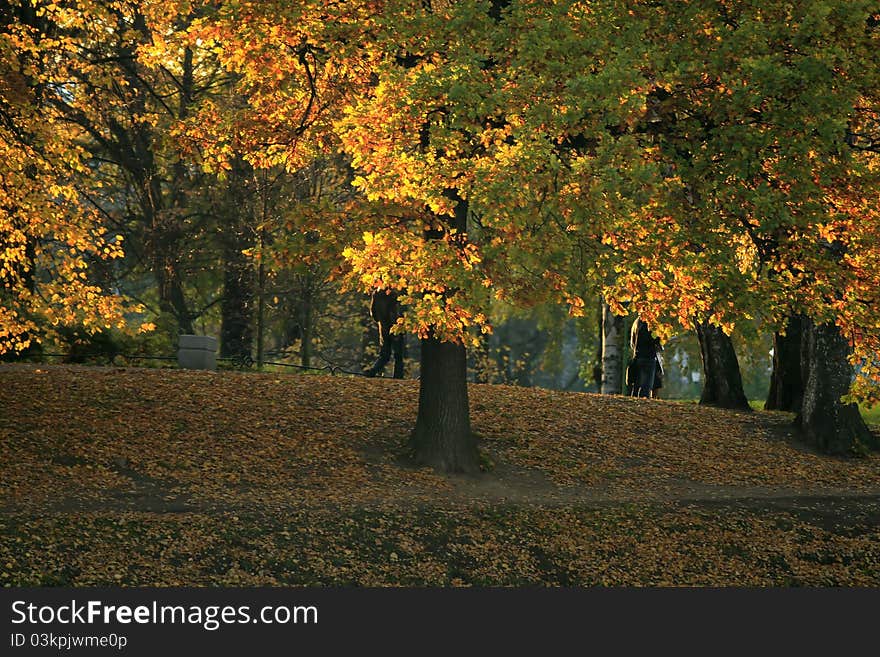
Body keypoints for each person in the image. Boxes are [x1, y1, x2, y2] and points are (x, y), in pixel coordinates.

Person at [365, 289, 405, 378]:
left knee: (384, 354)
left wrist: (381, 321)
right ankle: (398, 376)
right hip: (395, 326)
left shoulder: (376, 293)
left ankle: (373, 371)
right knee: (398, 354)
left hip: (383, 327)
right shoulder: (394, 294)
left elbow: (373, 312)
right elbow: (395, 311)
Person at [628, 318, 663, 398]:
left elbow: (632, 343)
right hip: (649, 357)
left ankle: (634, 402)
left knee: (637, 384)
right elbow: (654, 340)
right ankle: (643, 404)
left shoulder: (636, 322)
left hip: (637, 356)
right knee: (647, 385)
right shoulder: (650, 322)